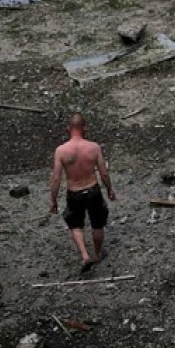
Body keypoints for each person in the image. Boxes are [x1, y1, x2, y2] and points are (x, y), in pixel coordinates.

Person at [49, 114, 116, 272]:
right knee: (97, 223)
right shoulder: (94, 147)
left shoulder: (61, 151)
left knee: (75, 224)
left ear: (68, 128)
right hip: (93, 189)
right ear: (84, 128)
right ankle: (98, 254)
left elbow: (56, 179)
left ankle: (85, 255)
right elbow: (104, 173)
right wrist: (109, 189)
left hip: (74, 192)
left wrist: (53, 200)